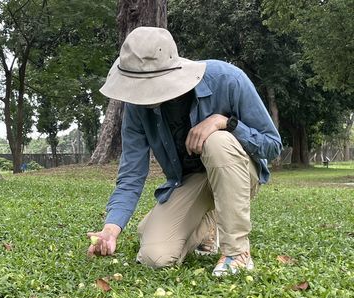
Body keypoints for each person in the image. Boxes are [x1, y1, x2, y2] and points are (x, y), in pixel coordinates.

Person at [87, 27, 282, 276]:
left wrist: (225, 122)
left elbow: (272, 145)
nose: (141, 94)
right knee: (154, 256)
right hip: (192, 182)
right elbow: (131, 175)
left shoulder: (227, 79)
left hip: (239, 173)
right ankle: (209, 225)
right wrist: (111, 229)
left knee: (217, 142)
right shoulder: (136, 107)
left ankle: (237, 252)